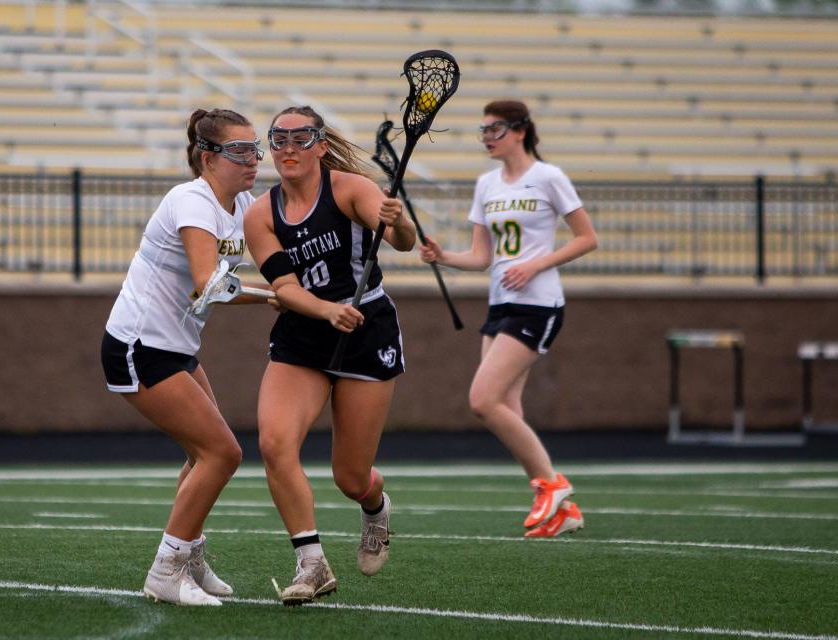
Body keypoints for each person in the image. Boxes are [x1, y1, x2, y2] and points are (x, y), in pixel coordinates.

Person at [243, 106, 416, 605]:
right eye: (278, 139)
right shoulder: (261, 214)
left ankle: (376, 507)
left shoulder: (350, 190)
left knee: (350, 477)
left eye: (302, 138)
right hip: (305, 333)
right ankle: (311, 564)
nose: (289, 147)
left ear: (321, 144)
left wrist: (397, 220)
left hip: (366, 330)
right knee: (275, 443)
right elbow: (284, 288)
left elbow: (403, 244)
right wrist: (324, 311)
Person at [100, 108, 269, 605]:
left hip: (176, 348)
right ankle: (166, 572)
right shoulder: (190, 200)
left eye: (254, 148)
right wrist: (279, 297)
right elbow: (207, 284)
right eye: (239, 150)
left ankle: (189, 561)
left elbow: (282, 245)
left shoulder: (242, 202)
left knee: (203, 454)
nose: (253, 159)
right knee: (223, 453)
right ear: (207, 156)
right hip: (139, 346)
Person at [419, 100, 598, 538]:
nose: (487, 137)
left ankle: (552, 485)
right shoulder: (487, 184)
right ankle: (565, 511)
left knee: (483, 400)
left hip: (538, 304)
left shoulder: (548, 177)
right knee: (506, 408)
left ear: (520, 130)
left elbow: (587, 239)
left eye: (494, 129)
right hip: (500, 304)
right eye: (483, 131)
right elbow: (482, 258)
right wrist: (443, 257)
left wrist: (536, 265)